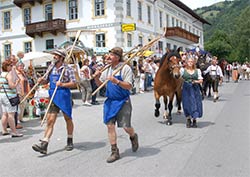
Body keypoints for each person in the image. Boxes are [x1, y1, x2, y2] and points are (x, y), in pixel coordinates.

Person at [94, 47, 139, 163]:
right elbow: (101, 85)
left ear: (117, 57)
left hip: (123, 101)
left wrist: (117, 81)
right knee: (110, 125)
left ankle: (133, 136)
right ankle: (115, 151)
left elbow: (129, 86)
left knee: (125, 126)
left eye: (111, 55)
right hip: (110, 101)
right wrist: (96, 77)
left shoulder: (125, 68)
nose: (108, 57)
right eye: (109, 55)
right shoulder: (107, 69)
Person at [32, 49, 77, 155]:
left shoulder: (67, 68)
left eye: (56, 55)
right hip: (53, 95)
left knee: (68, 118)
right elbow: (46, 80)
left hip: (64, 95)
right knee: (50, 120)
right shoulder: (51, 67)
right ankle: (44, 143)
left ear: (61, 57)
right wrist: (41, 81)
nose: (54, 57)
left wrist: (63, 84)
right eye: (54, 55)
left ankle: (70, 140)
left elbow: (74, 83)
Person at [0, 60, 23, 137]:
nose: (12, 67)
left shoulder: (1, 74)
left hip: (3, 95)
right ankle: (14, 131)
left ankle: (4, 130)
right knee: (11, 114)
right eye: (10, 66)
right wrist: (16, 83)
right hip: (9, 96)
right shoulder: (8, 75)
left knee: (4, 114)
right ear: (7, 66)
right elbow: (11, 86)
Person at [180, 57, 203, 128]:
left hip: (195, 88)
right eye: (189, 61)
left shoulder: (197, 70)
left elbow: (201, 80)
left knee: (195, 103)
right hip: (186, 89)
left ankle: (194, 120)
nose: (190, 63)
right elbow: (178, 77)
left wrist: (195, 81)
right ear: (186, 62)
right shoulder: (183, 70)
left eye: (191, 61)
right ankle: (188, 119)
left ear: (194, 63)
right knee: (186, 103)